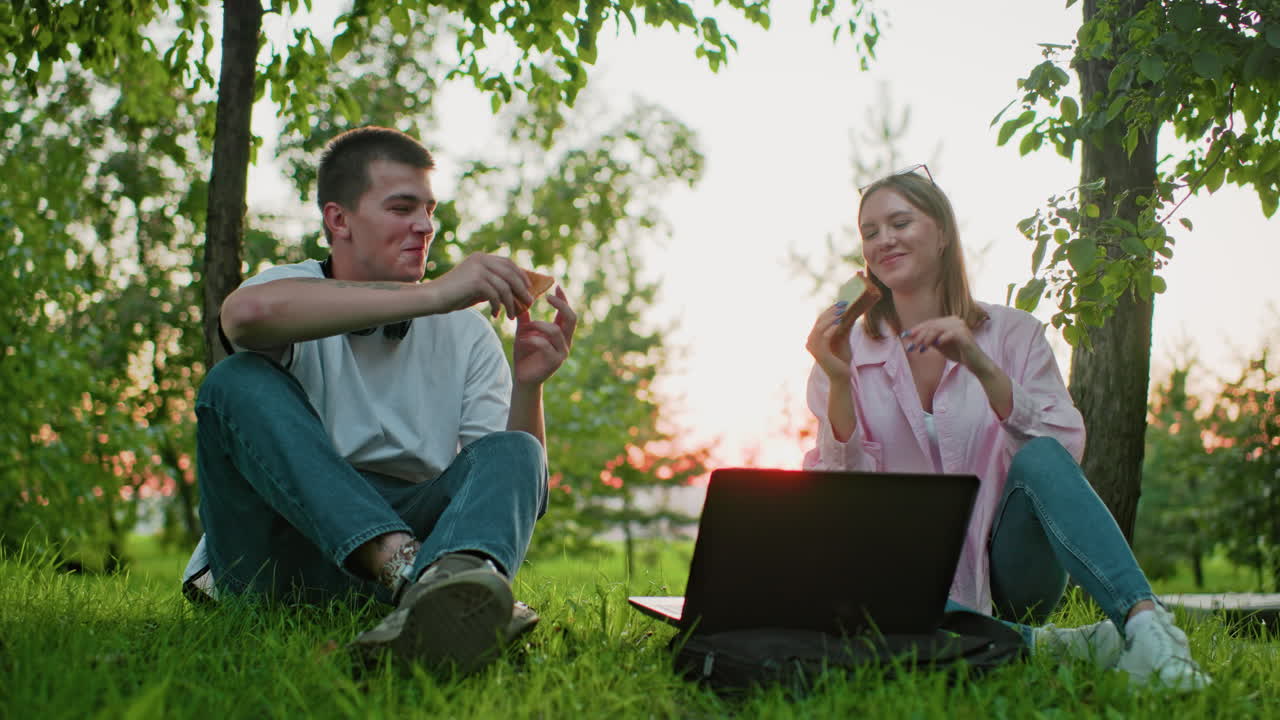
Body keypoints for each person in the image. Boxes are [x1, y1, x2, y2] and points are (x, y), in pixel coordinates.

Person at [181, 126, 577, 675]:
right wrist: (434, 295)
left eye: (430, 210)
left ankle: (440, 598)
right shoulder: (289, 289)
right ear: (338, 220)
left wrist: (529, 384)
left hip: (415, 529)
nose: (425, 226)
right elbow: (241, 319)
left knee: (519, 449)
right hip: (280, 561)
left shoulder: (469, 336)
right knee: (232, 383)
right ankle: (414, 578)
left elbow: (508, 486)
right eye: (402, 208)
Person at [802, 166, 1210, 691]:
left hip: (1009, 568)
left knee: (1038, 455)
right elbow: (838, 501)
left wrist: (981, 365)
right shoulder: (846, 353)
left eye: (900, 222)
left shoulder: (1015, 334)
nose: (884, 240)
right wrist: (838, 381)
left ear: (943, 233)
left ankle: (1147, 628)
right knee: (843, 590)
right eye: (871, 231)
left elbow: (1058, 459)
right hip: (903, 582)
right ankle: (1053, 645)